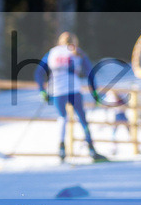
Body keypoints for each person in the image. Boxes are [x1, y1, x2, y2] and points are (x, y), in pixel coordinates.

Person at [34, 31, 105, 162]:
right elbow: (90, 73)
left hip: (58, 90)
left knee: (62, 118)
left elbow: (38, 72)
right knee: (82, 119)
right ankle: (91, 149)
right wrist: (95, 93)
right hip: (74, 89)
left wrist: (42, 91)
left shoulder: (52, 52)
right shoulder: (77, 52)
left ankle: (61, 149)